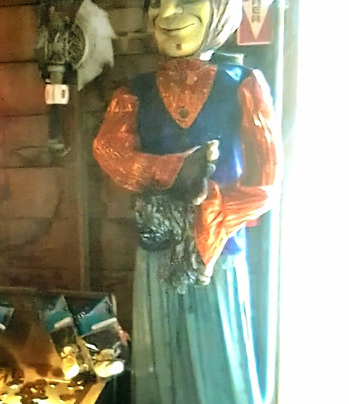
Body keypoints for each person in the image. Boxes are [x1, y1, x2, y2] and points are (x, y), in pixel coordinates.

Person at [92, 0, 282, 403]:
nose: (167, 13)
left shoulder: (243, 83)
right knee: (160, 361)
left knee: (221, 359)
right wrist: (174, 170)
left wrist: (213, 217)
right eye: (156, 3)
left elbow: (265, 183)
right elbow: (110, 152)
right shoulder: (135, 91)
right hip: (156, 250)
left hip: (217, 253)